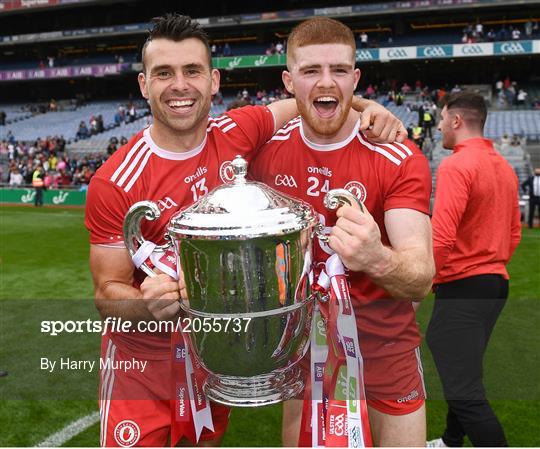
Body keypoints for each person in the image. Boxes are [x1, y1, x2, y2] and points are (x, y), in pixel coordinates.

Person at [85, 13, 405, 448]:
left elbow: (317, 97)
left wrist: (372, 109)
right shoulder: (116, 179)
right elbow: (107, 291)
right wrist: (146, 303)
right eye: (164, 73)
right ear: (144, 85)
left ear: (214, 80)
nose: (180, 85)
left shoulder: (239, 132)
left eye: (192, 71)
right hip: (141, 370)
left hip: (216, 359)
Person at [249, 17, 434, 447]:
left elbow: (421, 277)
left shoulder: (397, 156)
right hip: (304, 354)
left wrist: (377, 258)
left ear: (356, 78)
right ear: (288, 81)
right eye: (310, 70)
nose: (325, 82)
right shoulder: (263, 155)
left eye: (338, 70)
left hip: (388, 352)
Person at [426, 91, 521, 447]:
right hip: (495, 284)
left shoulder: (456, 165)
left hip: (465, 285)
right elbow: (514, 233)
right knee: (466, 372)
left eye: (440, 118)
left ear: (455, 120)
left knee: (464, 388)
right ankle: (452, 440)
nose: (437, 126)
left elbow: (442, 235)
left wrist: (426, 280)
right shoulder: (504, 166)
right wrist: (490, 262)